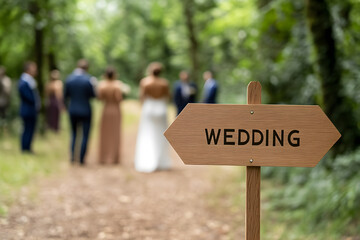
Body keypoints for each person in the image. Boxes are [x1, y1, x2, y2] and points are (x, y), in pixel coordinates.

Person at [134, 62, 171, 172]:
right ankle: (161, 161)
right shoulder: (164, 83)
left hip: (149, 108)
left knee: (147, 133)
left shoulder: (145, 82)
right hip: (161, 109)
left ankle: (147, 160)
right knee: (161, 135)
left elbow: (141, 97)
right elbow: (168, 97)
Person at [64, 59, 96, 165]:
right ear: (86, 68)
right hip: (86, 110)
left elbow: (65, 96)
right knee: (85, 135)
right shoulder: (88, 80)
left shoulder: (69, 79)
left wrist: (66, 107)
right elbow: (93, 95)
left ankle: (73, 157)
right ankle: (82, 159)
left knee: (73, 134)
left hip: (72, 110)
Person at [97, 67, 123, 164]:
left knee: (104, 134)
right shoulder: (117, 85)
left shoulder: (102, 85)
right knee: (115, 134)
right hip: (115, 110)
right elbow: (119, 99)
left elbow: (99, 98)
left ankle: (103, 157)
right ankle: (114, 158)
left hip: (106, 109)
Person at [18, 61, 40, 153]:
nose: (35, 70)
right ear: (28, 69)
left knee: (30, 129)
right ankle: (25, 148)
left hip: (31, 110)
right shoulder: (24, 82)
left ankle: (28, 147)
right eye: (33, 68)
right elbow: (28, 96)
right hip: (27, 109)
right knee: (27, 129)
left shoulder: (30, 81)